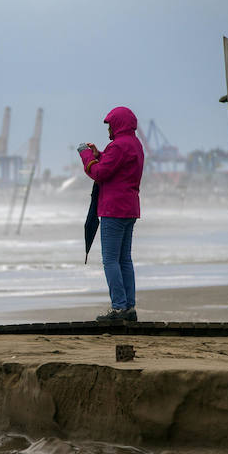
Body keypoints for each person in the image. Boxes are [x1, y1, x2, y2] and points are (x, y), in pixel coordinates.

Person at [78, 106, 144, 322]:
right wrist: (101, 155)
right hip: (130, 208)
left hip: (113, 209)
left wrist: (86, 155)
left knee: (110, 261)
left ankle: (118, 308)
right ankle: (129, 307)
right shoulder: (134, 144)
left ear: (117, 124)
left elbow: (100, 172)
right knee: (125, 259)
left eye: (110, 124)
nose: (108, 129)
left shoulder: (118, 146)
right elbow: (116, 165)